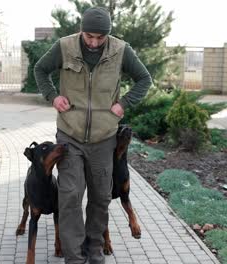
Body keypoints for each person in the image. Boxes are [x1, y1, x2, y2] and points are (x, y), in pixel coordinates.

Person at [34, 6, 152, 264]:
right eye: (90, 36)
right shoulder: (64, 47)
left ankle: (95, 249)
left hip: (104, 137)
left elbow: (144, 78)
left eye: (100, 38)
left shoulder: (121, 50)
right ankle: (74, 257)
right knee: (70, 196)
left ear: (108, 35)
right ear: (81, 30)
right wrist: (53, 96)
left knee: (100, 197)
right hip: (69, 135)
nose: (95, 42)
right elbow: (40, 70)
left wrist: (124, 103)